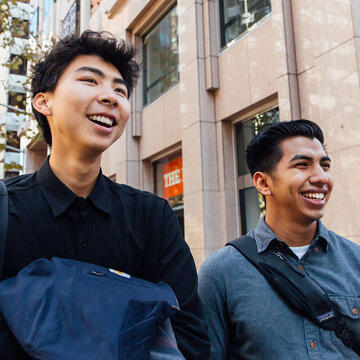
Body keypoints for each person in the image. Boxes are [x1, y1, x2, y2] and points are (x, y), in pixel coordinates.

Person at [3, 31, 209, 359]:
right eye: (90, 80)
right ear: (44, 101)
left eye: (120, 90)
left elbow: (191, 337)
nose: (111, 97)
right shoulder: (5, 211)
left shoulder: (152, 216)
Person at [198, 119, 360, 359]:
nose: (321, 177)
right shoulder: (220, 273)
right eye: (302, 165)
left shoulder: (355, 261)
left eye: (324, 165)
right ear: (263, 183)